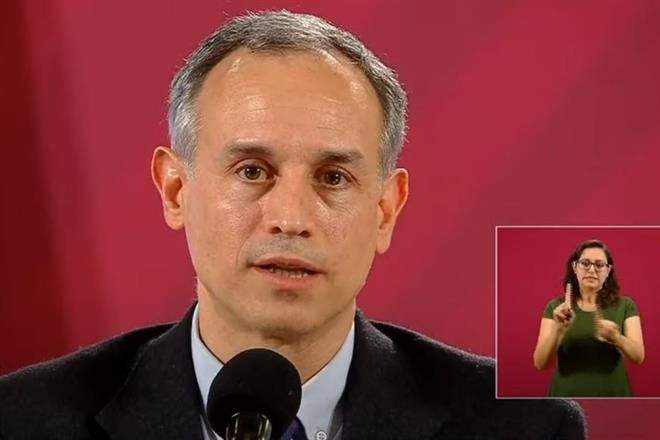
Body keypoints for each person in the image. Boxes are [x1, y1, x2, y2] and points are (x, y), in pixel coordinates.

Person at [0, 10, 585, 439]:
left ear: (385, 210)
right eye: (252, 171)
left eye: (333, 178)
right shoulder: (25, 420)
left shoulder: (525, 429)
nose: (291, 219)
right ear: (176, 190)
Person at [533, 239, 645, 397]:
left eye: (599, 265)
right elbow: (540, 363)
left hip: (614, 398)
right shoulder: (556, 307)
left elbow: (638, 357)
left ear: (608, 270)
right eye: (585, 263)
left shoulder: (626, 305)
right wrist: (558, 330)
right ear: (575, 267)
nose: (592, 270)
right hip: (567, 398)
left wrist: (616, 338)